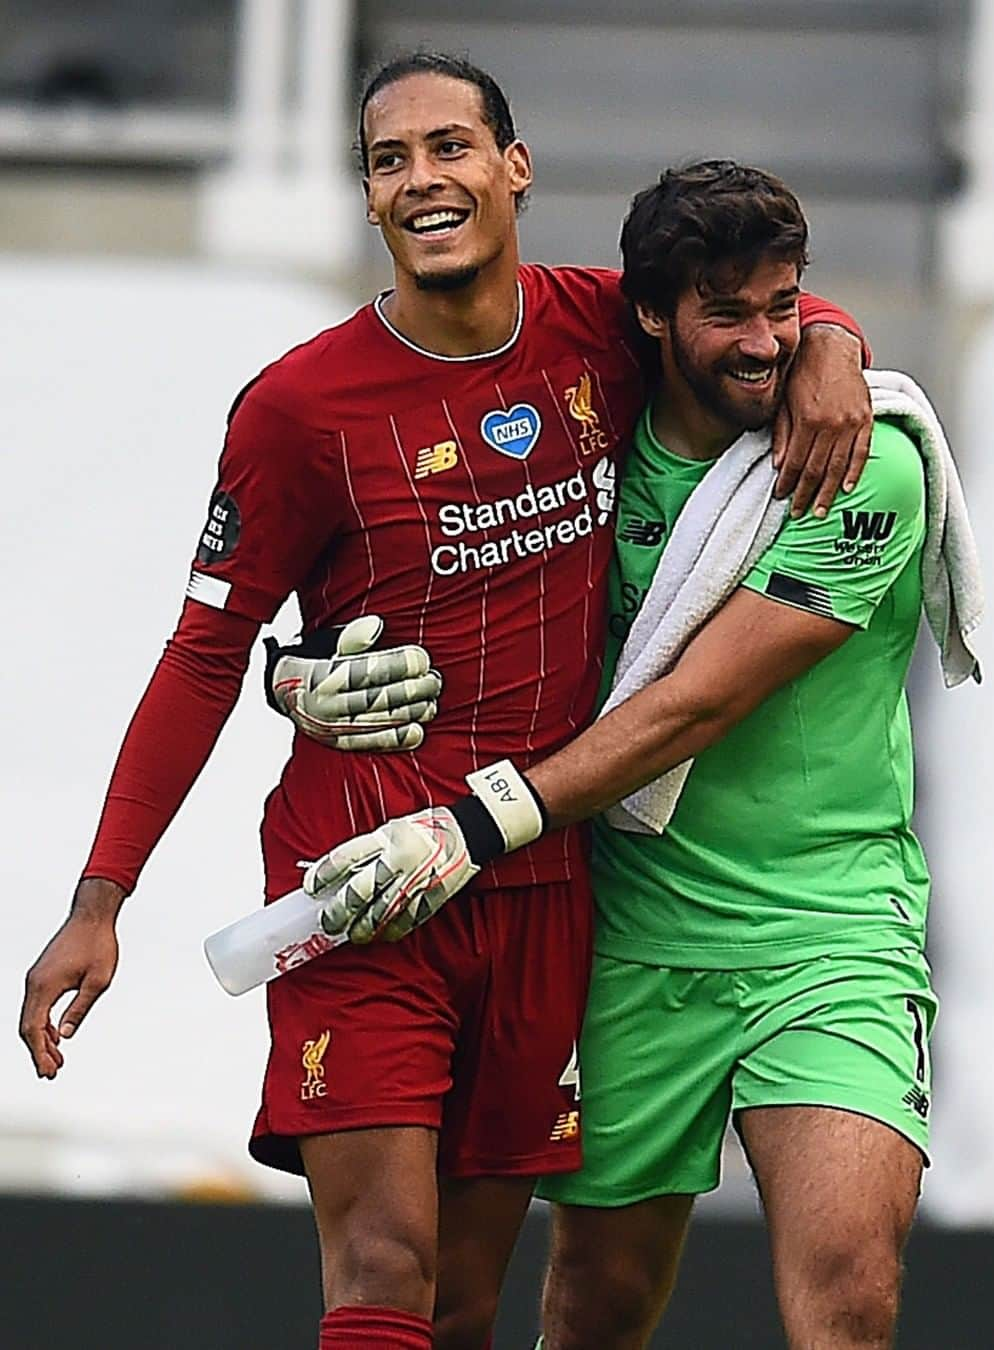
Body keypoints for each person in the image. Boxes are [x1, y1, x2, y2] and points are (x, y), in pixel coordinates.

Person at [18, 54, 871, 1350]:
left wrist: (836, 355)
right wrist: (101, 898)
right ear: (369, 198)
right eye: (390, 159)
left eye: (451, 147)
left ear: (513, 167)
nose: (424, 178)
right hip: (360, 880)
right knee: (383, 1261)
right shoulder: (301, 408)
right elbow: (204, 651)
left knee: (465, 1303)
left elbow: (757, 311)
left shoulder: (600, 326)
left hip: (537, 885)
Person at [297, 160, 965, 1350]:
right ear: (649, 315)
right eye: (730, 314)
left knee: (850, 1299)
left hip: (830, 933)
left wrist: (473, 825)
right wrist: (294, 676)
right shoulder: (579, 453)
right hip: (630, 940)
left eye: (786, 308)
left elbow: (691, 710)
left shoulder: (866, 465)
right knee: (595, 1305)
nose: (768, 342)